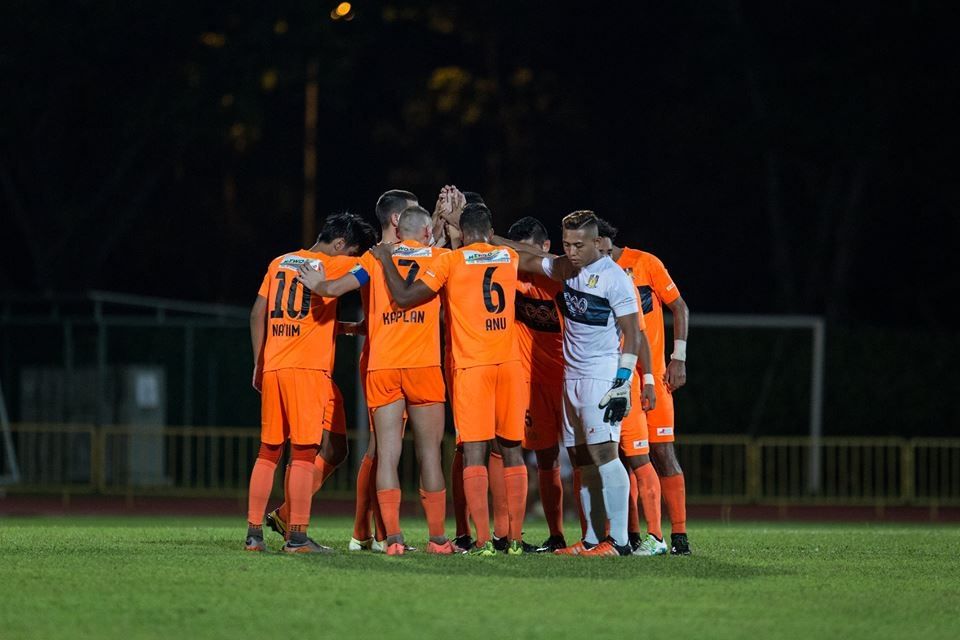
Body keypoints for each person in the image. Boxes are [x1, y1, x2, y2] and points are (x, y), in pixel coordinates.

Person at [372, 203, 529, 555]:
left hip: (473, 367)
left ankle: (485, 541)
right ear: (489, 232)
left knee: (474, 450)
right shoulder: (507, 255)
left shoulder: (449, 261)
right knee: (511, 450)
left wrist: (384, 258)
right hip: (510, 364)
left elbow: (405, 296)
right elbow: (537, 259)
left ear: (461, 231)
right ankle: (515, 539)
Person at [297, 205, 455, 555]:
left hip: (383, 367)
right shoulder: (440, 258)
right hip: (423, 367)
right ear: (427, 233)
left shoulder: (372, 261)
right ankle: (437, 539)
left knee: (386, 455)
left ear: (399, 232)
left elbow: (336, 288)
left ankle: (393, 540)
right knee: (430, 454)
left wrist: (315, 282)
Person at [504, 210, 657, 557]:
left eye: (578, 245)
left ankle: (618, 542)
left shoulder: (614, 278)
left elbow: (633, 332)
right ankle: (590, 539)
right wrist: (484, 238)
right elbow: (526, 257)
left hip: (601, 375)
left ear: (597, 243)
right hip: (571, 377)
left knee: (605, 453)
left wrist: (623, 381)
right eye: (566, 244)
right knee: (581, 458)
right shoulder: (566, 269)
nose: (571, 251)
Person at [245, 212, 377, 553]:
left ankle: (254, 535)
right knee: (304, 453)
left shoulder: (280, 262)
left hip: (274, 366)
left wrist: (259, 362)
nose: (350, 259)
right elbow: (374, 265)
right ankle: (297, 538)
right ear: (339, 245)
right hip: (307, 371)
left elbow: (258, 312)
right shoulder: (329, 266)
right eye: (350, 252)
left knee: (268, 451)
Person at [598, 222, 692, 555]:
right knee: (625, 456)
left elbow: (679, 306)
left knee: (662, 452)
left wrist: (677, 358)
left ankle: (678, 535)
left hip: (653, 375)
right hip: (621, 376)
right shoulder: (592, 273)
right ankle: (635, 535)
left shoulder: (645, 264)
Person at [350, 189, 419, 552]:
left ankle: (367, 531)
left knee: (380, 448)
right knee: (381, 447)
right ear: (396, 220)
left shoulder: (387, 255)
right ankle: (371, 532)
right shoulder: (377, 258)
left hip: (393, 355)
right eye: (413, 212)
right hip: (386, 359)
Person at [506, 216, 568, 553]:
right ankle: (556, 535)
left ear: (545, 248)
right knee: (545, 457)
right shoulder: (510, 275)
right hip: (529, 379)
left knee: (587, 455)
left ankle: (604, 535)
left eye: (530, 252)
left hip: (569, 377)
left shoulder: (561, 273)